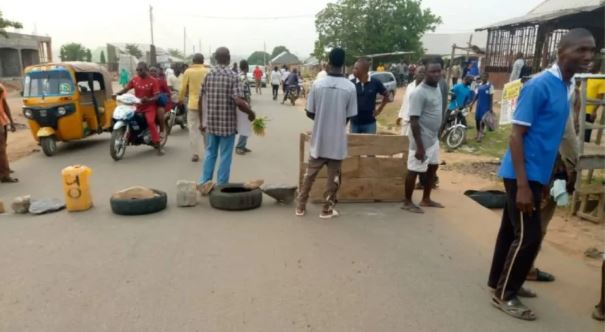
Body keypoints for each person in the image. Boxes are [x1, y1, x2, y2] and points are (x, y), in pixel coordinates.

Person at [488, 28, 595, 321]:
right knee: (529, 236)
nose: (588, 57)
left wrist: (558, 171)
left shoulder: (566, 86)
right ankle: (505, 294)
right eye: (581, 50)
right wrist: (523, 185)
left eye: (592, 51)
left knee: (511, 231)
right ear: (562, 52)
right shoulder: (540, 85)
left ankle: (498, 282)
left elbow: (555, 136)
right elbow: (515, 136)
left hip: (537, 173)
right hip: (522, 174)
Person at [296, 48, 357, 219]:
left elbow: (310, 111)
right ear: (344, 64)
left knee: (310, 174)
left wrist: (322, 118)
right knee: (333, 178)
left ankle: (300, 206)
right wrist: (336, 121)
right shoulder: (350, 87)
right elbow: (350, 115)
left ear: (328, 62)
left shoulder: (318, 84)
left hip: (319, 138)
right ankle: (326, 209)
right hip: (337, 140)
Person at [198, 47, 256, 193]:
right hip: (227, 125)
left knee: (210, 153)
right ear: (229, 58)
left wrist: (201, 122)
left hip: (211, 123)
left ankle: (205, 182)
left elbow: (201, 100)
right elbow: (238, 101)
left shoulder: (208, 75)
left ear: (216, 58)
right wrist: (251, 112)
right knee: (225, 156)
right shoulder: (233, 76)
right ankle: (221, 186)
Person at [401, 57, 445, 214]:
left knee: (433, 167)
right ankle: (407, 201)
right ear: (425, 72)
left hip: (433, 139)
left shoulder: (438, 87)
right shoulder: (418, 93)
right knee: (413, 170)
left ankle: (426, 199)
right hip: (420, 140)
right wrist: (419, 146)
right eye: (432, 71)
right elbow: (413, 121)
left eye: (438, 71)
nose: (436, 74)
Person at [115, 62, 162, 154]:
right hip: (137, 106)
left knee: (150, 122)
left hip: (150, 106)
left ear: (146, 70)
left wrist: (148, 99)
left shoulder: (153, 81)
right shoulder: (135, 79)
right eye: (137, 70)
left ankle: (158, 144)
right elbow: (126, 89)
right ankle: (131, 136)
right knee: (128, 117)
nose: (139, 72)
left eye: (141, 70)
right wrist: (117, 93)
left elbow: (157, 96)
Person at [179, 53, 209, 162]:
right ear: (203, 61)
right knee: (206, 127)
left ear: (193, 61)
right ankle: (208, 151)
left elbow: (182, 88)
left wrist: (180, 99)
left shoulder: (188, 71)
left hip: (192, 104)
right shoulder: (208, 71)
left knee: (193, 129)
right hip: (206, 104)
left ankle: (195, 154)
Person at [350, 57, 390, 134]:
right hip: (354, 123)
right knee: (354, 145)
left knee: (370, 145)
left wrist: (379, 110)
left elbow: (387, 96)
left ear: (364, 70)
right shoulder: (351, 83)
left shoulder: (375, 83)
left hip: (370, 123)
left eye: (356, 68)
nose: (353, 71)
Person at [397, 65, 425, 135]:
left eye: (424, 72)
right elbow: (405, 101)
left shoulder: (427, 89)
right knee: (403, 142)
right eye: (420, 72)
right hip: (406, 120)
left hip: (418, 123)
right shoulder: (410, 86)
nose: (422, 74)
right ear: (415, 73)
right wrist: (400, 115)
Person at [0, 83, 17, 183]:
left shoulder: (1, 87)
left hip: (3, 122)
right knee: (1, 150)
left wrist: (11, 121)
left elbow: (5, 104)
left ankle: (4, 170)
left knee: (2, 148)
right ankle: (5, 175)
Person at [584, 64, 605, 142]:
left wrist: (594, 111)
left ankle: (585, 150)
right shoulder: (587, 76)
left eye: (590, 66)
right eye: (588, 66)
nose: (588, 68)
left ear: (595, 67)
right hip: (580, 108)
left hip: (590, 110)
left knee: (586, 133)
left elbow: (600, 96)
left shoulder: (601, 78)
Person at [236, 60, 253, 155]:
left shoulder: (240, 75)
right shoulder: (242, 76)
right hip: (243, 103)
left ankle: (243, 145)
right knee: (245, 125)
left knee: (246, 125)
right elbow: (243, 92)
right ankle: (239, 146)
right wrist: (247, 104)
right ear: (246, 67)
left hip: (243, 102)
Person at [472, 72, 494, 142]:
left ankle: (480, 135)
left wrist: (490, 108)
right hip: (479, 106)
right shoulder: (478, 86)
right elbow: (476, 96)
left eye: (485, 77)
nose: (483, 78)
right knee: (477, 119)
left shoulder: (490, 86)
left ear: (487, 78)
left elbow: (491, 98)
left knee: (482, 120)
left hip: (486, 106)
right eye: (482, 77)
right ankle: (478, 132)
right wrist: (472, 104)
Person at [149, 66, 170, 139]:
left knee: (160, 115)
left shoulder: (162, 81)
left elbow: (168, 93)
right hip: (148, 103)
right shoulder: (146, 81)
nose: (152, 73)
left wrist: (160, 95)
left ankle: (161, 131)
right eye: (151, 71)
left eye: (154, 71)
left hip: (158, 103)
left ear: (157, 73)